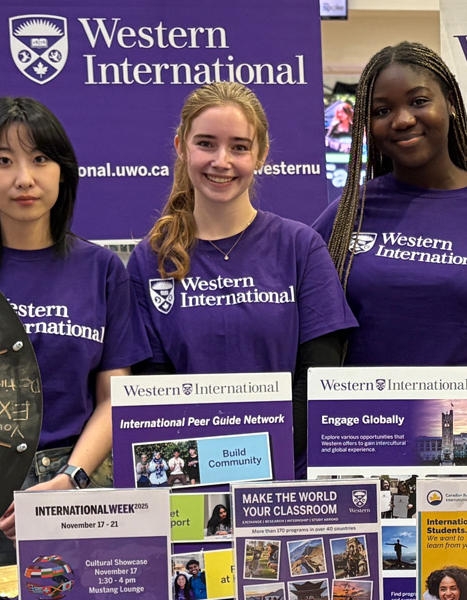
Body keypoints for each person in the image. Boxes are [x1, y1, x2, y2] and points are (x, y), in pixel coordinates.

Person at [315, 42, 467, 475]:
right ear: (367, 126)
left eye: (418, 101)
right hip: (364, 443)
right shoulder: (346, 214)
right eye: (382, 110)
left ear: (450, 102)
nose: (402, 119)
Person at [0, 96, 148, 575]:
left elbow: (114, 395)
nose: (24, 178)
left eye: (40, 159)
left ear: (63, 172)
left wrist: (69, 481)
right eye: (3, 161)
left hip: (79, 484)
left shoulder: (102, 270)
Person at [129, 82, 354, 479]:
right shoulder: (152, 259)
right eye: (206, 144)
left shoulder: (301, 247)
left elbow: (318, 381)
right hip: (191, 479)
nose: (222, 160)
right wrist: (212, 465)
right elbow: (154, 389)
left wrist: (255, 458)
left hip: (287, 479)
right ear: (182, 147)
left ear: (261, 154)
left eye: (238, 146)